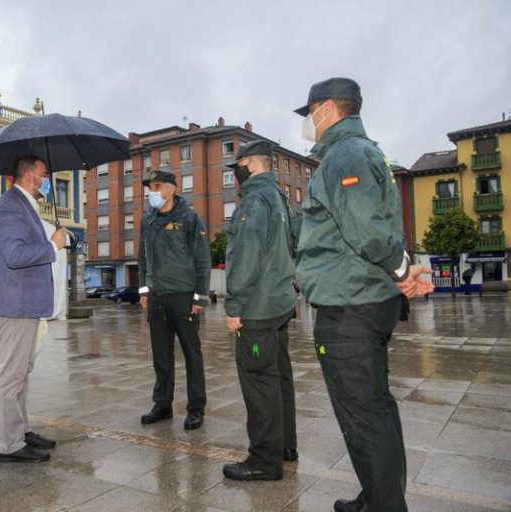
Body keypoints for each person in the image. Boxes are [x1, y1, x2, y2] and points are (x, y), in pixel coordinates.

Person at [294, 77, 434, 512]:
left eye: (309, 113)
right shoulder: (366, 152)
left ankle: (386, 505)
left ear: (326, 109)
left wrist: (401, 269)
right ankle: (377, 495)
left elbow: (367, 230)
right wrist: (401, 270)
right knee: (374, 408)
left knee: (364, 414)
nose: (307, 123)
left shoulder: (345, 154)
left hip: (349, 305)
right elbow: (381, 222)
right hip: (363, 297)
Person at [0, 156, 67, 463]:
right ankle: (10, 444)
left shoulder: (22, 206)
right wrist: (53, 246)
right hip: (13, 303)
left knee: (21, 373)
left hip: (24, 304)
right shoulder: (11, 207)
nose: (47, 180)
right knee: (11, 374)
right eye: (44, 174)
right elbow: (15, 255)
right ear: (29, 175)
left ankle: (20, 430)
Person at [221, 140, 298, 481]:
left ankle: (264, 461)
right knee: (279, 377)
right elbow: (293, 246)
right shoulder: (281, 197)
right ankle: (285, 446)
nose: (234, 173)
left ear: (251, 164)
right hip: (279, 302)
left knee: (259, 381)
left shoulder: (253, 201)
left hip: (258, 309)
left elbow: (245, 256)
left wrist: (234, 304)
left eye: (237, 166)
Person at [137, 170, 211, 430]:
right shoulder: (147, 219)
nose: (152, 192)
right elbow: (142, 256)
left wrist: (200, 296)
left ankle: (195, 408)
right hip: (157, 296)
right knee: (161, 353)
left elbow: (202, 259)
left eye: (156, 186)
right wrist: (144, 290)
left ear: (170, 189)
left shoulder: (189, 218)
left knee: (192, 352)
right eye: (149, 187)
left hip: (183, 294)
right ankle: (163, 404)